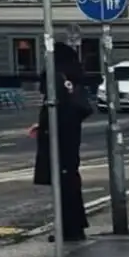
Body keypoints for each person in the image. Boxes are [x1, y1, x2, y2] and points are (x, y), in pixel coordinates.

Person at [33, 40, 91, 242]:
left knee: (63, 184)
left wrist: (47, 126)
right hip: (68, 137)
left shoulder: (57, 79)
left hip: (59, 138)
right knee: (69, 181)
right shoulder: (71, 78)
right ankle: (74, 227)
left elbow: (54, 107)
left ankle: (69, 229)